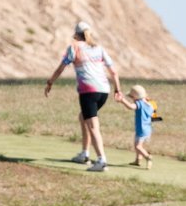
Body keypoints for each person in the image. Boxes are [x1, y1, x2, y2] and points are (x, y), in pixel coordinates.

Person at [43, 20, 122, 172]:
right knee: (83, 117)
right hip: (103, 91)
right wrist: (117, 90)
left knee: (93, 125)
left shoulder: (74, 47)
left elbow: (61, 67)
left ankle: (101, 161)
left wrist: (50, 82)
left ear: (76, 35)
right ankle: (85, 154)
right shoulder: (99, 48)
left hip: (88, 91)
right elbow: (114, 72)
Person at [126, 85, 155, 168]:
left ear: (135, 97)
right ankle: (138, 160)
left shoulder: (139, 104)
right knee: (139, 144)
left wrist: (122, 101)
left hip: (141, 129)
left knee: (137, 146)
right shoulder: (150, 105)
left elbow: (131, 107)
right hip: (147, 129)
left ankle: (148, 157)